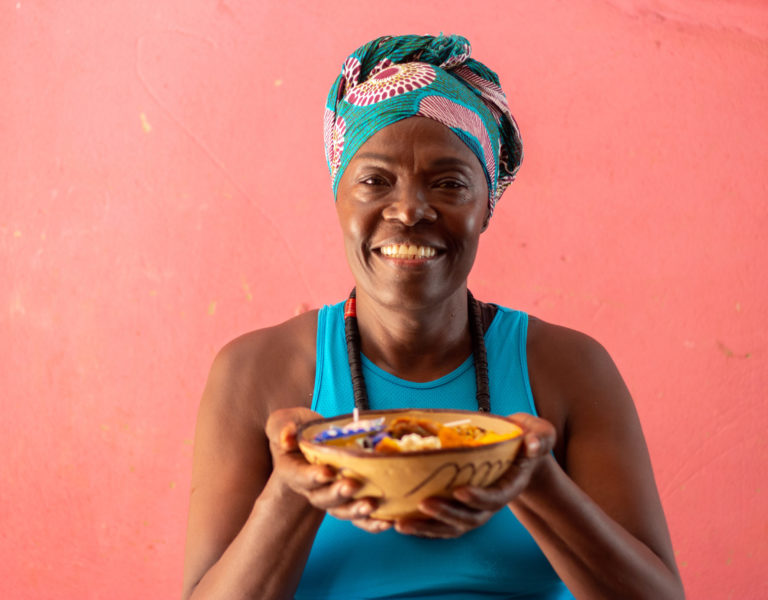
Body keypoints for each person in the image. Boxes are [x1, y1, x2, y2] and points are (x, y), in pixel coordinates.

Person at [181, 35, 684, 600]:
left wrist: (535, 482)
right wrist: (296, 490)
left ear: (484, 208)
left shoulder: (568, 369)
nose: (410, 210)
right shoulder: (256, 373)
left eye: (449, 183)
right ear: (338, 197)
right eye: (374, 180)